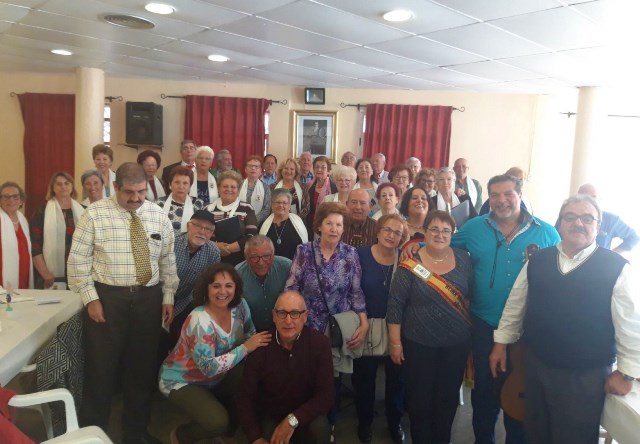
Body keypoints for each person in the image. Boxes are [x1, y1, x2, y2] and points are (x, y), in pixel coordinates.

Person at [489, 194, 640, 443]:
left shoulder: (616, 267)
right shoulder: (537, 260)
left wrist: (626, 373)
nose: (578, 223)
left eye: (587, 218)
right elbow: (516, 305)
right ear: (560, 223)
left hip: (585, 376)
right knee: (537, 433)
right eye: (570, 217)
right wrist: (501, 343)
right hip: (537, 366)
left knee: (574, 438)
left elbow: (631, 325)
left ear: (598, 226)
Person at [68, 162, 179, 444]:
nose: (135, 198)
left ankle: (135, 433)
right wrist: (91, 299)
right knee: (101, 370)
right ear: (115, 187)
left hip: (148, 299)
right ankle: (93, 434)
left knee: (141, 371)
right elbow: (77, 262)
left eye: (141, 192)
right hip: (108, 299)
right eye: (128, 192)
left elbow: (167, 260)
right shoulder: (94, 214)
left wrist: (167, 296)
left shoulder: (157, 215)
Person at [451, 174, 560, 444]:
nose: (501, 200)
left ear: (520, 195)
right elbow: (441, 245)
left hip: (528, 330)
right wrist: (411, 247)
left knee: (521, 392)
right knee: (485, 391)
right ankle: (483, 439)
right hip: (484, 324)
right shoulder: (474, 227)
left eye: (508, 194)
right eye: (495, 195)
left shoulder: (546, 232)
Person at [159, 263, 271, 444]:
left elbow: (251, 333)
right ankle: (182, 435)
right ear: (206, 288)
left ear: (236, 288)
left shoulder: (240, 306)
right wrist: (246, 348)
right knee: (217, 422)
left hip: (218, 375)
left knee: (251, 375)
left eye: (228, 286)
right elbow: (209, 369)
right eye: (216, 286)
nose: (222, 292)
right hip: (182, 380)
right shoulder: (199, 320)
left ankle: (227, 433)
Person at [285, 201, 368, 441]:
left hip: (336, 328)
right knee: (303, 375)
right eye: (329, 223)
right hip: (307, 325)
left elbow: (356, 292)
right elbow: (291, 287)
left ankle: (328, 424)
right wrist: (294, 320)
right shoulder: (304, 251)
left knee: (332, 379)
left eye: (339, 224)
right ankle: (301, 421)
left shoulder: (350, 254)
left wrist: (363, 322)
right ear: (319, 226)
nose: (334, 228)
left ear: (344, 229)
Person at [388, 211, 473, 443]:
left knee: (447, 401)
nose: (440, 234)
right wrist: (395, 343)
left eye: (446, 230)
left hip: (455, 346)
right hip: (418, 345)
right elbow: (395, 304)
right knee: (419, 402)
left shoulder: (464, 258)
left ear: (452, 234)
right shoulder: (411, 262)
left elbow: (471, 296)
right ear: (424, 231)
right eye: (434, 229)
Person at [236, 291, 335, 444]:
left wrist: (292, 420)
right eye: (282, 313)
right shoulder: (260, 347)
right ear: (274, 316)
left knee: (320, 428)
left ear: (305, 316)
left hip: (307, 415)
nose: (288, 321)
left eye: (295, 313)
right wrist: (254, 437)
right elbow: (245, 397)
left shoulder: (320, 344)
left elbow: (326, 396)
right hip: (272, 416)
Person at [353, 215, 407, 444]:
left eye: (397, 233)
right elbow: (353, 291)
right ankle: (364, 423)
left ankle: (394, 422)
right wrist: (362, 320)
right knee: (364, 380)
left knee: (397, 381)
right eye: (387, 229)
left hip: (396, 329)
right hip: (366, 326)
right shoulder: (360, 255)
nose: (391, 235)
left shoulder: (405, 259)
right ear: (377, 230)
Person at [167, 210, 221, 350]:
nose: (202, 232)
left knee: (181, 336)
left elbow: (207, 286)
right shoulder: (171, 244)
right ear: (188, 226)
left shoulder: (213, 252)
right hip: (161, 297)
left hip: (187, 301)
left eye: (208, 229)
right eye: (198, 226)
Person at [30, 171, 84, 289]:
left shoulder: (84, 211)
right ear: (53, 188)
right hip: (50, 277)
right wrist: (46, 274)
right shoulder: (42, 212)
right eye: (59, 184)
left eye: (66, 183)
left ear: (72, 186)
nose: (63, 187)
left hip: (80, 275)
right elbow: (35, 247)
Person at [235, 235, 292, 332]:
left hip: (284, 329)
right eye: (254, 257)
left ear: (273, 254)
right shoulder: (237, 274)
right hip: (251, 333)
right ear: (246, 257)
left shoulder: (288, 267)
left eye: (266, 256)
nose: (261, 263)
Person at [205, 171, 258, 266]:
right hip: (211, 259)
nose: (229, 189)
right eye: (225, 186)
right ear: (218, 188)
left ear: (238, 190)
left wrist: (228, 249)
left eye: (233, 187)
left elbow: (252, 235)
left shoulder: (247, 208)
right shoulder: (207, 209)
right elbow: (201, 234)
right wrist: (216, 247)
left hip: (240, 261)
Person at [577, 183, 638, 253]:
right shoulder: (568, 218)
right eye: (585, 197)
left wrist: (612, 254)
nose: (590, 201)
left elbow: (634, 238)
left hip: (600, 263)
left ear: (599, 199)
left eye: (594, 197)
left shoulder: (611, 220)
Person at [259, 189, 308, 260]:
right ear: (272, 205)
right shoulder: (263, 225)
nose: (281, 205)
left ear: (289, 206)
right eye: (278, 202)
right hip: (270, 267)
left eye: (284, 203)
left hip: (295, 266)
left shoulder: (300, 223)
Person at [0, 181, 33, 289]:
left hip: (23, 277)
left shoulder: (23, 220)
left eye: (15, 196)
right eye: (5, 197)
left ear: (21, 200)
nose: (11, 200)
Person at [157, 166, 205, 236]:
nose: (181, 187)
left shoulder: (199, 204)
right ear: (170, 185)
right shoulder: (159, 203)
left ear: (190, 186)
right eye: (177, 182)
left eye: (185, 183)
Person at [306, 156, 337, 232]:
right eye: (317, 167)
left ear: (328, 170)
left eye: (323, 167)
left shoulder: (334, 187)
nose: (319, 170)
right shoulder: (308, 186)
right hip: (311, 225)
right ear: (313, 169)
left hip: (329, 225)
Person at [240, 155, 272, 225]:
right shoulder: (238, 185)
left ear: (261, 170)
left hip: (258, 224)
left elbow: (266, 210)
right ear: (245, 169)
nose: (253, 168)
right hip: (239, 222)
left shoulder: (265, 187)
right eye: (250, 166)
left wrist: (252, 221)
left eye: (256, 167)